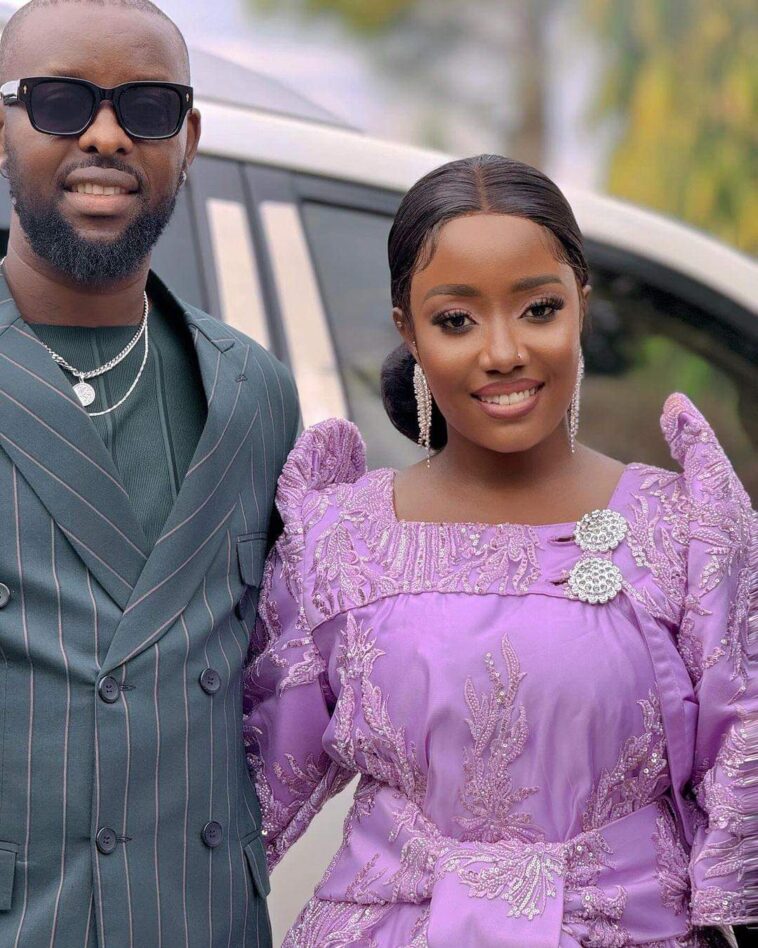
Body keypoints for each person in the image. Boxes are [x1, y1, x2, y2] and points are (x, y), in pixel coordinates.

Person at [244, 154, 756, 946]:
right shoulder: (337, 540)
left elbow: (742, 761)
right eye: (457, 320)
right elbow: (237, 795)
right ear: (408, 330)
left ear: (581, 304)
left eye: (538, 309)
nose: (504, 351)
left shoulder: (687, 530)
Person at [0, 2, 297, 945]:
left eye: (147, 107)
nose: (104, 135)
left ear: (188, 139)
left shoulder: (254, 393)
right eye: (59, 102)